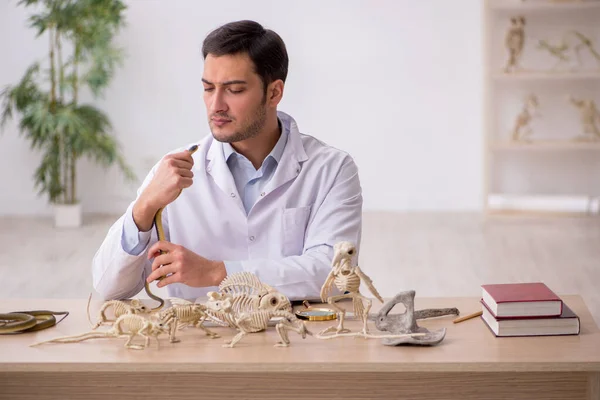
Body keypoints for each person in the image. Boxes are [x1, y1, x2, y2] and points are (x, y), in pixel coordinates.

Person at [92, 20, 363, 302]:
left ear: (274, 92)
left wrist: (218, 273)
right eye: (209, 88)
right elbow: (109, 287)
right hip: (197, 338)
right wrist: (144, 207)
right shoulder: (174, 171)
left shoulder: (332, 169)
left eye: (234, 90)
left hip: (294, 338)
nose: (216, 105)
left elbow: (334, 275)